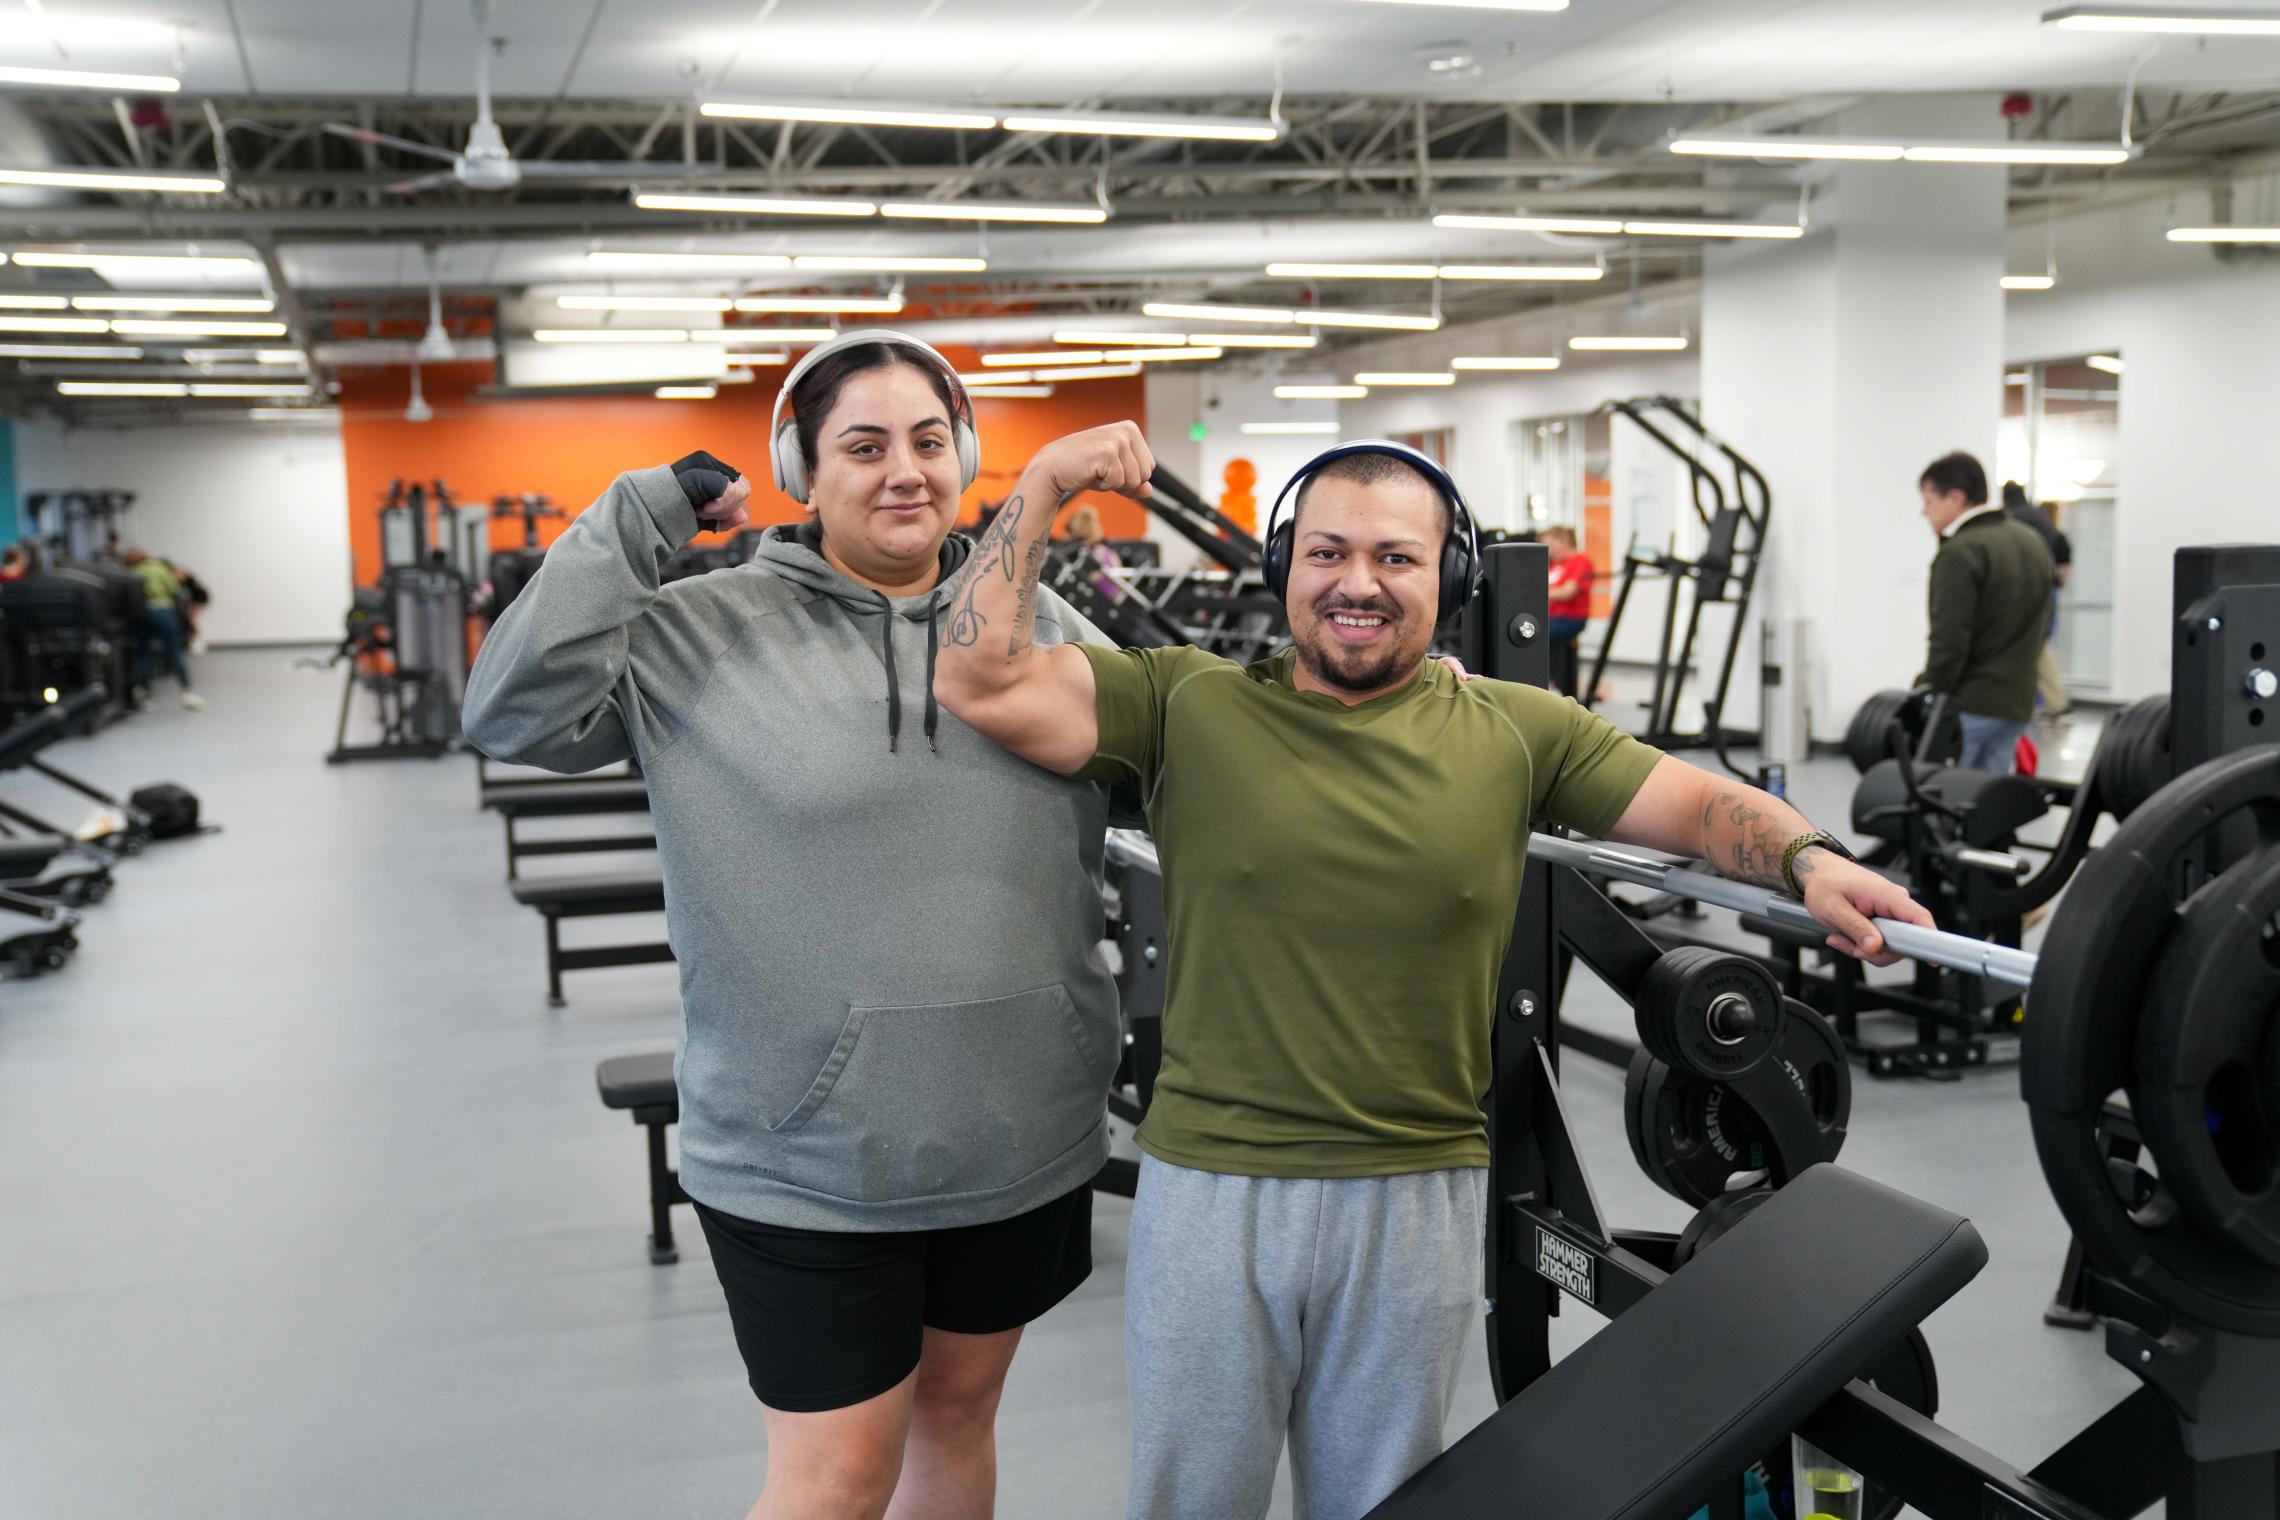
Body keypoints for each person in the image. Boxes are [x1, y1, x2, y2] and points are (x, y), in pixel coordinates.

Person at [931, 432, 1935, 1520]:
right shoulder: (1185, 703)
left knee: (1382, 1504)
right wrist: (1042, 484)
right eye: (1327, 552)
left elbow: (1695, 806)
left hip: (1414, 1194)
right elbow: (976, 674)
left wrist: (1810, 856)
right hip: (1214, 1191)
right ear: (1284, 567)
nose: (1358, 582)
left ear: (1448, 576)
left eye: (1396, 558)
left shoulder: (1517, 730)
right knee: (1190, 1503)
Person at [463, 332, 1126, 1520]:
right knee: (833, 1476)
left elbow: (1177, 767)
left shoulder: (1051, 630)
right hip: (804, 1153)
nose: (903, 472)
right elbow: (507, 711)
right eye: (862, 446)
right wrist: (637, 518)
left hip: (1016, 1127)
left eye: (929, 440)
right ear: (800, 470)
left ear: (968, 456)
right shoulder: (692, 634)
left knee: (960, 1421)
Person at [1919, 455, 2054, 772]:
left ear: (1955, 497)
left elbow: (1949, 640)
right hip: (2017, 703)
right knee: (1985, 804)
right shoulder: (2031, 540)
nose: (1924, 512)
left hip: (1970, 706)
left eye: (1928, 501)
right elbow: (2045, 623)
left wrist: (1930, 696)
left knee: (1946, 803)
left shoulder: (1960, 551)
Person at [2000, 481, 2072, 719]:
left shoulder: (2014, 519)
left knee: (2035, 647)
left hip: (2028, 592)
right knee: (2039, 645)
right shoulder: (2039, 518)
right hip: (2047, 591)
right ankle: (2048, 701)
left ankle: (2052, 701)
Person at [121, 547, 204, 711]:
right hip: (162, 612)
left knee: (143, 654)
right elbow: (174, 589)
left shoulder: (130, 573)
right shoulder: (159, 568)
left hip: (140, 615)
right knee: (174, 652)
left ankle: (144, 694)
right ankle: (187, 693)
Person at [1543, 524, 1592, 697]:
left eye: (1551, 544)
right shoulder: (1555, 565)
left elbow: (1568, 591)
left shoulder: (1579, 560)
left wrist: (1538, 593)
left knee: (1539, 637)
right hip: (1551, 618)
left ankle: (1549, 686)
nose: (1549, 550)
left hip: (1570, 619)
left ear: (1564, 541)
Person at [1058, 501, 1126, 602]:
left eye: (1069, 533)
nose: (1066, 537)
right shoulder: (1109, 554)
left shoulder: (1092, 557)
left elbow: (1084, 584)